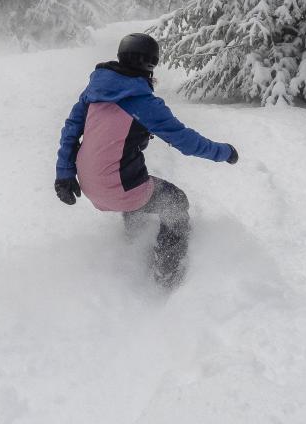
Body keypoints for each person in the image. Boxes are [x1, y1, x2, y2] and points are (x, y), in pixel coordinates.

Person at [54, 33, 238, 288]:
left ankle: (134, 244)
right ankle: (167, 278)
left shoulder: (95, 89)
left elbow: (72, 128)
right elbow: (184, 140)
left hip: (85, 182)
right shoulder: (142, 101)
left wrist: (63, 174)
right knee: (175, 201)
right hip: (118, 187)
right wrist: (225, 152)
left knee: (139, 190)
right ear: (151, 64)